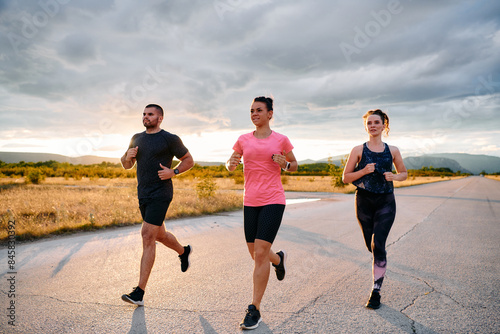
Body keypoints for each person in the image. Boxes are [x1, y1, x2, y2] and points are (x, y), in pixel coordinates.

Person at [226, 96, 298, 330]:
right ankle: (278, 260)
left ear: (270, 114)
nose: (254, 114)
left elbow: (294, 165)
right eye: (251, 111)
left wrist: (284, 164)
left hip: (273, 199)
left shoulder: (281, 139)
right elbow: (231, 163)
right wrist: (231, 164)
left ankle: (254, 308)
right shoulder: (243, 139)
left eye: (259, 110)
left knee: (259, 253)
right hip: (250, 201)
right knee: (255, 252)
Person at [121, 103, 194, 306]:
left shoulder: (169, 138)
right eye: (144, 114)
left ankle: (139, 293)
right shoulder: (136, 138)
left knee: (147, 235)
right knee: (159, 235)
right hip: (143, 194)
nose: (146, 117)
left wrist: (174, 172)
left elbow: (189, 160)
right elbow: (127, 165)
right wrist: (126, 158)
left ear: (160, 118)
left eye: (150, 114)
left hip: (161, 193)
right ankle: (183, 251)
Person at [342, 109, 407, 309]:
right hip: (363, 200)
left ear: (383, 125)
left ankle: (376, 291)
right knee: (370, 245)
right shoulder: (358, 150)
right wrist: (363, 170)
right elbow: (345, 178)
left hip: (386, 201)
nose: (372, 126)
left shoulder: (393, 150)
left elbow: (403, 173)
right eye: (369, 123)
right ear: (366, 127)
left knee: (378, 244)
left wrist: (394, 177)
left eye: (376, 122)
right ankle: (378, 264)